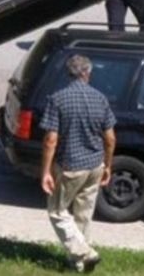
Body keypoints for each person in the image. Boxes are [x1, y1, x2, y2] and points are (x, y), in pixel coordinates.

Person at [40, 54, 117, 272]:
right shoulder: (100, 98)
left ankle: (85, 253)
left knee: (57, 211)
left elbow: (50, 140)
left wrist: (45, 171)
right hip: (95, 165)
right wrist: (108, 165)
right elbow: (110, 139)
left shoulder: (58, 99)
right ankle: (79, 264)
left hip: (70, 166)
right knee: (84, 214)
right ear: (87, 73)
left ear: (68, 73)